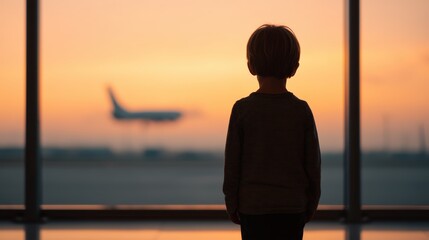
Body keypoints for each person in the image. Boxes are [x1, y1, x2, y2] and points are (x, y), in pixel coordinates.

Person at [223, 24, 321, 240]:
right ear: (294, 67)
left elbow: (232, 164)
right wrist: (311, 203)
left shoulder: (242, 109)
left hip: (252, 207)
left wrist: (232, 203)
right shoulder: (301, 110)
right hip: (292, 208)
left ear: (251, 66)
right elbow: (312, 164)